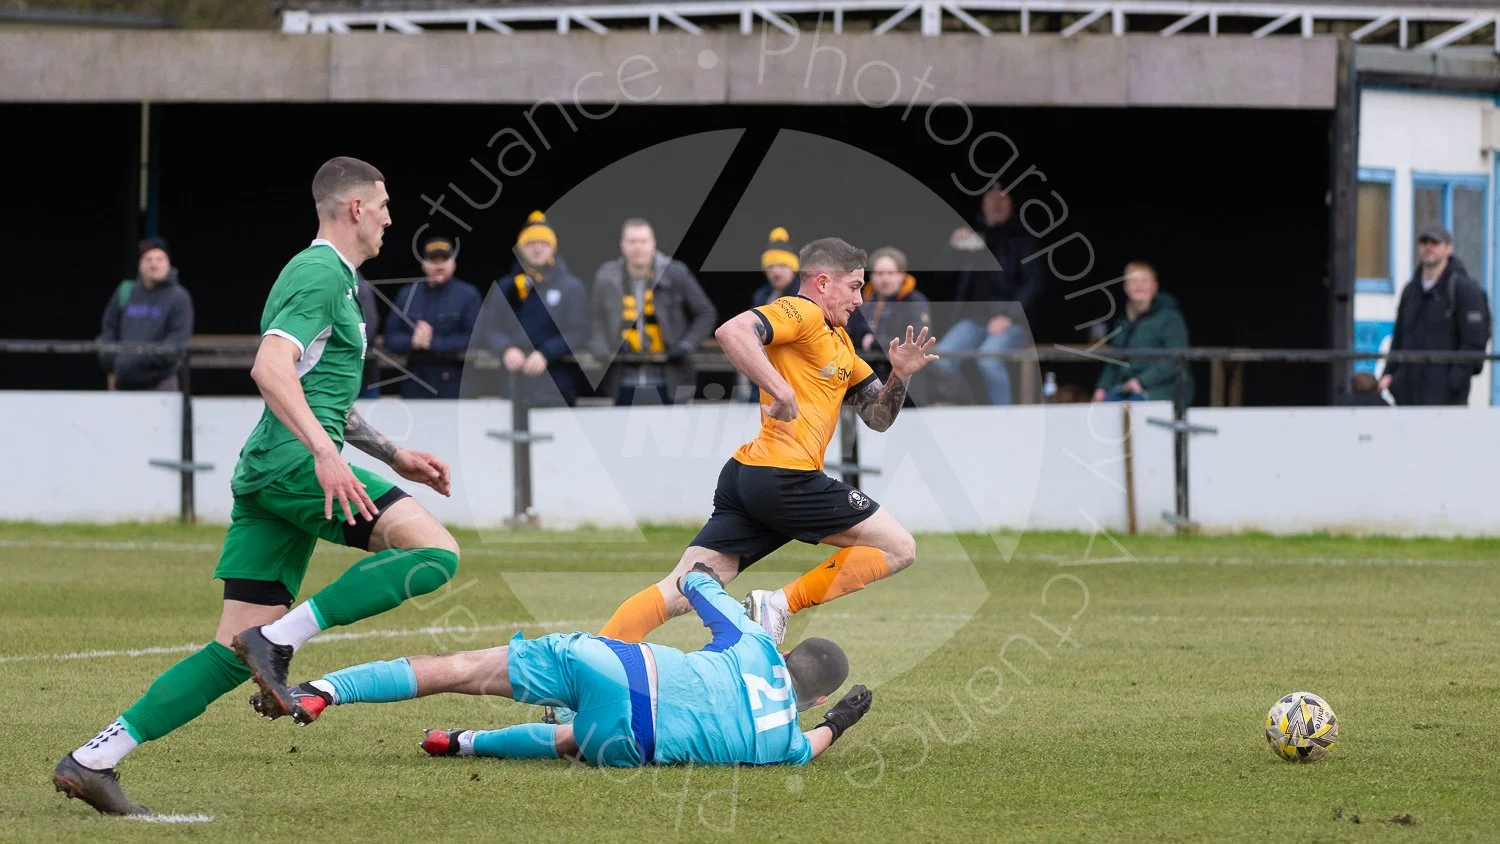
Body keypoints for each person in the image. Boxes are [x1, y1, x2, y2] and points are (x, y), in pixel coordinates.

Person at [53, 157, 463, 816]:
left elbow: (313, 386)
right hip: (292, 463)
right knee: (436, 553)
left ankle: (95, 758)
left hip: (276, 466)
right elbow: (269, 368)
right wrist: (326, 453)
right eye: (384, 204)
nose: (391, 217)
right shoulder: (318, 271)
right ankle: (281, 640)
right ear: (355, 208)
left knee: (226, 653)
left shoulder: (338, 282)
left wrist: (393, 454)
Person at [581, 238, 938, 702]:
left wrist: (899, 377)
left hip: (749, 478)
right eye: (853, 287)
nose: (859, 299)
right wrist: (778, 388)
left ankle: (581, 675)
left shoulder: (841, 342)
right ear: (823, 282)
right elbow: (733, 331)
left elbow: (877, 417)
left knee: (682, 590)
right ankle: (777, 605)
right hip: (783, 477)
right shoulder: (801, 311)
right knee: (899, 546)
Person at [253, 565, 874, 768]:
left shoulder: (755, 646)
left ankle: (322, 690)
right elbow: (812, 746)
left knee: (460, 667)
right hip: (630, 737)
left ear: (787, 654)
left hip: (613, 665)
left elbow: (697, 583)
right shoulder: (786, 739)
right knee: (571, 740)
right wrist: (845, 721)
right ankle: (465, 744)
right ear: (816, 700)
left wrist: (711, 580)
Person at [930, 187, 1046, 405]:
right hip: (973, 319)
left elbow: (1034, 284)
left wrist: (1009, 316)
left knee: (988, 359)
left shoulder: (1023, 239)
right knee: (940, 361)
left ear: (1012, 203)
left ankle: (1003, 419)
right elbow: (941, 276)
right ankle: (966, 406)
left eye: (1003, 198)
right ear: (982, 203)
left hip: (1012, 321)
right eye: (991, 198)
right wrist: (953, 248)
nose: (997, 203)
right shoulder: (972, 236)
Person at [590, 218, 717, 405]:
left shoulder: (675, 272)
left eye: (643, 241)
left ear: (653, 243)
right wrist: (603, 346)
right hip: (622, 378)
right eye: (632, 241)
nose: (638, 247)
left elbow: (706, 313)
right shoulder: (607, 276)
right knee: (624, 433)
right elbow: (596, 318)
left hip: (671, 378)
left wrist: (686, 344)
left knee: (672, 433)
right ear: (622, 244)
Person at [478, 211, 589, 407]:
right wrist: (506, 349)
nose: (537, 249)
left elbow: (578, 331)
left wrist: (546, 353)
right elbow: (489, 327)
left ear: (552, 248)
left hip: (557, 385)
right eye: (530, 244)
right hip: (512, 385)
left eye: (543, 244)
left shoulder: (571, 287)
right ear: (521, 249)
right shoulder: (505, 287)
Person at [1379, 225, 1491, 406]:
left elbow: (1474, 341)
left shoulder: (1465, 289)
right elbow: (1399, 336)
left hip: (1445, 398)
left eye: (1435, 243)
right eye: (1424, 242)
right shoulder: (1411, 290)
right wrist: (1390, 374)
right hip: (1407, 394)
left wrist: (1454, 381)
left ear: (1448, 248)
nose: (1428, 247)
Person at [383, 235, 483, 399]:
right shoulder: (407, 294)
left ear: (453, 263)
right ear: (424, 263)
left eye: (444, 259)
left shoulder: (468, 295)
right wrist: (413, 341)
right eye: (433, 260)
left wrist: (433, 342)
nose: (439, 265)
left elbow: (476, 338)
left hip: (456, 385)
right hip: (415, 385)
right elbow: (390, 338)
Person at [98, 236, 195, 391]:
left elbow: (176, 344)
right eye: (148, 259)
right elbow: (108, 330)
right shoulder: (125, 292)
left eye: (159, 259)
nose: (153, 264)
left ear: (168, 263)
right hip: (123, 383)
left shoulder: (179, 298)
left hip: (161, 384)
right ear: (140, 264)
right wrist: (114, 359)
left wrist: (133, 358)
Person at [1091, 261, 1191, 403]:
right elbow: (1115, 361)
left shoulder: (1170, 318)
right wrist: (1101, 388)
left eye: (1145, 280)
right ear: (1126, 287)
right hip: (1126, 387)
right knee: (1104, 407)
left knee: (1134, 406)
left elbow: (1175, 359)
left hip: (1163, 388)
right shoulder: (1123, 323)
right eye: (1134, 280)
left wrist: (1142, 381)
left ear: (1155, 286)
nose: (1139, 285)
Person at [861, 247, 931, 406]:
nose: (884, 279)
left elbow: (919, 340)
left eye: (890, 273)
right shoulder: (862, 302)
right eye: (879, 274)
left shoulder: (915, 302)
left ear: (902, 275)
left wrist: (874, 343)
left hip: (908, 388)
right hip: (870, 385)